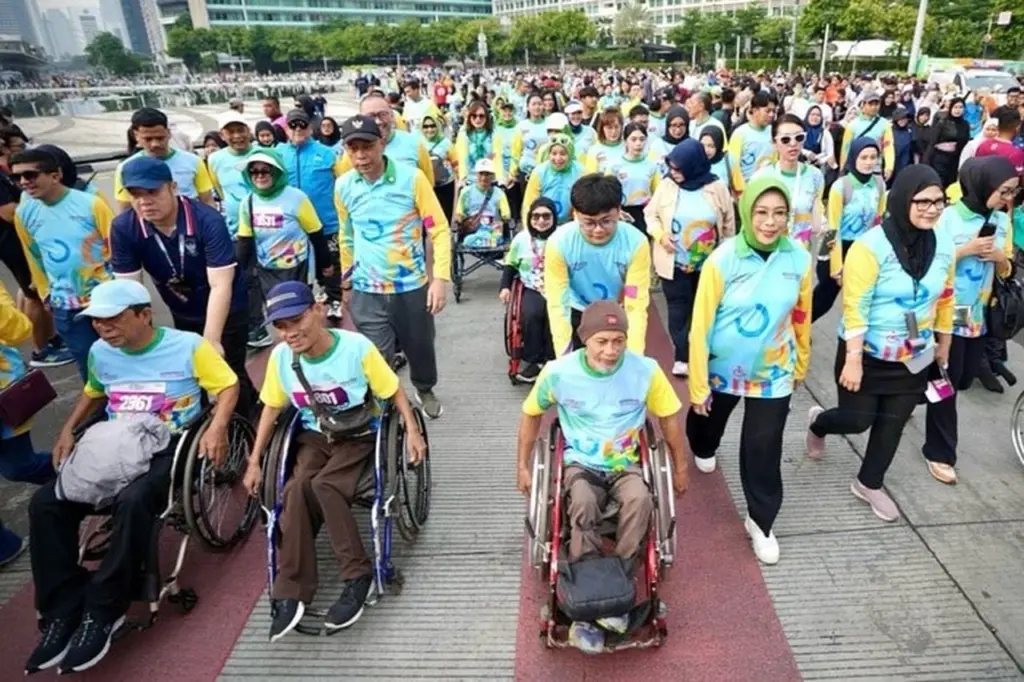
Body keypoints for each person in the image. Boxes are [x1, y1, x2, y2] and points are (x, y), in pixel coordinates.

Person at [25, 279, 238, 675]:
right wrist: (68, 428)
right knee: (46, 503)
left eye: (113, 319)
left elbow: (227, 386)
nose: (103, 328)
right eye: (97, 321)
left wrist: (218, 427)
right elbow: (94, 391)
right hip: (113, 443)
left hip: (167, 444)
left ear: (145, 315)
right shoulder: (101, 353)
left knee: (134, 499)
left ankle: (104, 610)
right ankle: (61, 609)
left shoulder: (189, 346)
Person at [240, 282, 426, 641]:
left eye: (296, 320)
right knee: (295, 488)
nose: (289, 333)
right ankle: (291, 590)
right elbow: (272, 408)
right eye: (280, 326)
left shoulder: (356, 348)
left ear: (318, 310)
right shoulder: (281, 358)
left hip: (359, 433)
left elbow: (392, 391)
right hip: (315, 435)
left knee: (325, 485)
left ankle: (357, 575)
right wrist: (254, 460)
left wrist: (413, 431)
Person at [515, 300, 688, 650]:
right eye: (602, 342)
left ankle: (620, 580)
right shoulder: (559, 373)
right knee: (582, 502)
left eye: (618, 341)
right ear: (585, 340)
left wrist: (680, 466)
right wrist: (522, 465)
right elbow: (531, 414)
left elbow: (668, 417)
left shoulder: (645, 371)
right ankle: (588, 583)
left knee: (640, 500)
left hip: (626, 463)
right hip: (581, 462)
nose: (611, 351)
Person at [806, 166, 955, 523]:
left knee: (893, 422)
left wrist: (944, 343)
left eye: (938, 202)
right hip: (867, 353)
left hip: (915, 354)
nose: (932, 209)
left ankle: (868, 482)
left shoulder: (944, 245)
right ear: (903, 199)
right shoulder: (870, 247)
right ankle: (819, 423)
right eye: (922, 201)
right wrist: (853, 359)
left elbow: (947, 297)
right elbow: (855, 306)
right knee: (857, 420)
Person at [686, 175, 812, 564]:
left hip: (774, 372)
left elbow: (802, 314)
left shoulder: (799, 258)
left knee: (763, 447)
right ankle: (703, 444)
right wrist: (698, 383)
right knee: (706, 426)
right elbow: (701, 324)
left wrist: (801, 362)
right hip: (722, 369)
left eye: (779, 213)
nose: (770, 222)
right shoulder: (723, 259)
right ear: (746, 212)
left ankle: (761, 520)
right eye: (761, 212)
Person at [109, 156, 256, 416]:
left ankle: (246, 424)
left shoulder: (207, 220)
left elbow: (221, 284)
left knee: (227, 370)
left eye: (152, 192)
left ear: (173, 187)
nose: (144, 201)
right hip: (182, 308)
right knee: (191, 373)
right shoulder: (124, 227)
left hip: (225, 307)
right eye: (135, 194)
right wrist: (139, 337)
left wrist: (212, 340)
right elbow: (129, 291)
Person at [335, 115, 450, 419]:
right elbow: (346, 236)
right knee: (376, 355)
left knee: (420, 346)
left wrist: (440, 279)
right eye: (353, 148)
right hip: (366, 288)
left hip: (410, 286)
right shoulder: (344, 186)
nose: (361, 156)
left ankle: (424, 388)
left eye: (367, 147)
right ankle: (386, 406)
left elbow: (438, 229)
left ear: (382, 143)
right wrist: (346, 283)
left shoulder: (412, 179)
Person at [922, 157, 1017, 483]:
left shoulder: (1001, 220)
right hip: (945, 314)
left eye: (1013, 192)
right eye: (1003, 191)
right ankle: (939, 452)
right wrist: (965, 250)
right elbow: (929, 262)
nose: (1008, 199)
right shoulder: (947, 217)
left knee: (961, 380)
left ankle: (910, 394)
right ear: (982, 185)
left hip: (978, 316)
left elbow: (1007, 270)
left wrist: (1001, 259)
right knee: (946, 386)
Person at [12, 149, 114, 380]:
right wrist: (46, 293)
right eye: (17, 177)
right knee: (89, 366)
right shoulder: (23, 213)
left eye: (30, 175)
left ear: (55, 175)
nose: (24, 182)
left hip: (105, 297)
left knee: (124, 355)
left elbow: (117, 247)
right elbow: (34, 257)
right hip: (65, 304)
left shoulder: (92, 204)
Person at [646, 139, 735, 377]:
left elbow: (728, 225)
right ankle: (682, 355)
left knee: (703, 310)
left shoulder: (717, 187)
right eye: (671, 167)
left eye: (679, 168)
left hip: (707, 266)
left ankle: (702, 352)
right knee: (678, 311)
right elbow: (651, 215)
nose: (674, 173)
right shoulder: (667, 185)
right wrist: (661, 235)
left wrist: (726, 255)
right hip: (673, 263)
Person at [545, 174, 651, 356]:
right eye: (589, 223)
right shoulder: (559, 243)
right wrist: (563, 356)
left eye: (606, 221)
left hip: (615, 312)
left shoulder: (636, 242)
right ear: (575, 214)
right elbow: (558, 304)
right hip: (576, 310)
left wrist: (635, 356)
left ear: (619, 211)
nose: (598, 230)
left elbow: (636, 303)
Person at [0, 279, 54, 568]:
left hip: (3, 396)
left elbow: (20, 330)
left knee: (19, 466)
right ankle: (4, 546)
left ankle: (84, 478)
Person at [278, 108, 346, 321]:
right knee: (298, 265)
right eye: (293, 125)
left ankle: (334, 300)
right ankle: (300, 306)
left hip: (327, 222)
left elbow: (343, 183)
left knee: (331, 264)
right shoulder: (279, 154)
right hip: (294, 225)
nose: (298, 129)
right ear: (286, 129)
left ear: (309, 128)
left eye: (302, 125)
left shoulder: (327, 153)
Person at [113, 108, 216, 213]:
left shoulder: (193, 161)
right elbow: (125, 210)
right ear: (136, 136)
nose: (155, 144)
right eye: (148, 139)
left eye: (160, 138)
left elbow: (207, 201)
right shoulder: (125, 168)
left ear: (169, 133)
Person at [500, 197, 558, 382]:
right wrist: (505, 287)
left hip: (559, 286)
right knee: (532, 314)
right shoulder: (521, 239)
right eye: (536, 216)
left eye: (546, 216)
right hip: (532, 286)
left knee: (556, 314)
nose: (541, 221)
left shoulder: (562, 237)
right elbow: (510, 265)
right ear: (529, 218)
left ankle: (553, 358)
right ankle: (535, 360)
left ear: (554, 218)